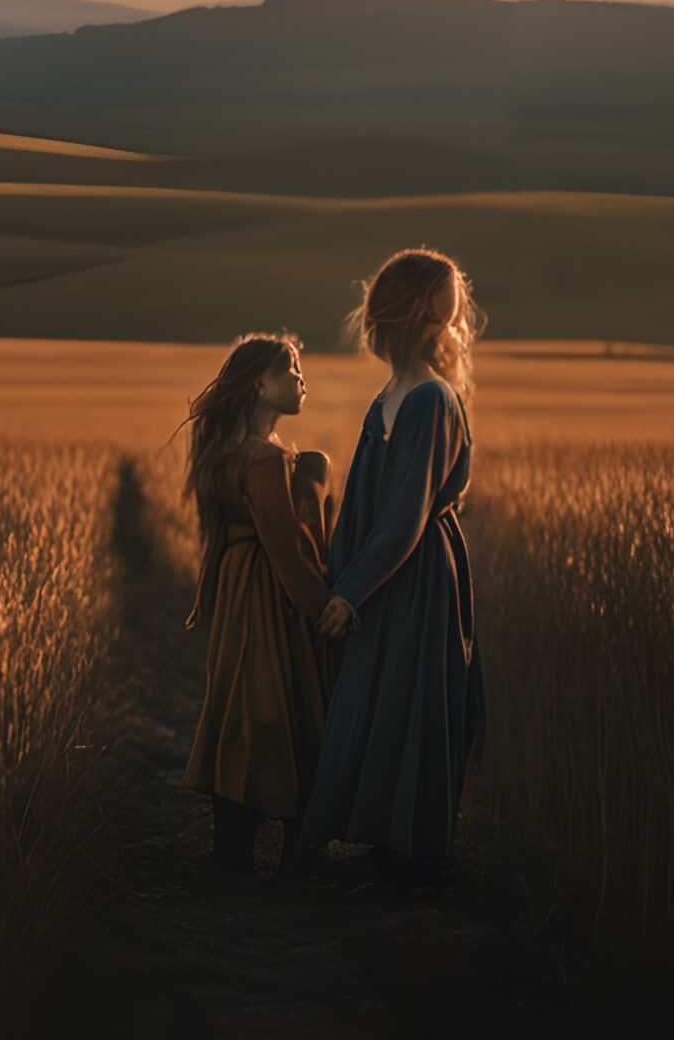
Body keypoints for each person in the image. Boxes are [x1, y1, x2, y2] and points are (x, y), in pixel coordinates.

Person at [293, 248, 487, 880]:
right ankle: (383, 843)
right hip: (388, 576)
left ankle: (406, 857)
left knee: (406, 697)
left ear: (395, 318)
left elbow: (406, 517)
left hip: (416, 580)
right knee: (381, 698)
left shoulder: (429, 400)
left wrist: (349, 592)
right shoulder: (394, 394)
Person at [180, 332, 339, 873]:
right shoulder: (265, 459)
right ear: (260, 385)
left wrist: (208, 597)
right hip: (270, 598)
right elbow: (286, 550)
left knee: (240, 707)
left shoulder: (224, 453)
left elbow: (217, 538)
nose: (301, 380)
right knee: (285, 706)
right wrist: (325, 609)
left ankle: (231, 851)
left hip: (237, 591)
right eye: (291, 370)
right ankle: (296, 855)